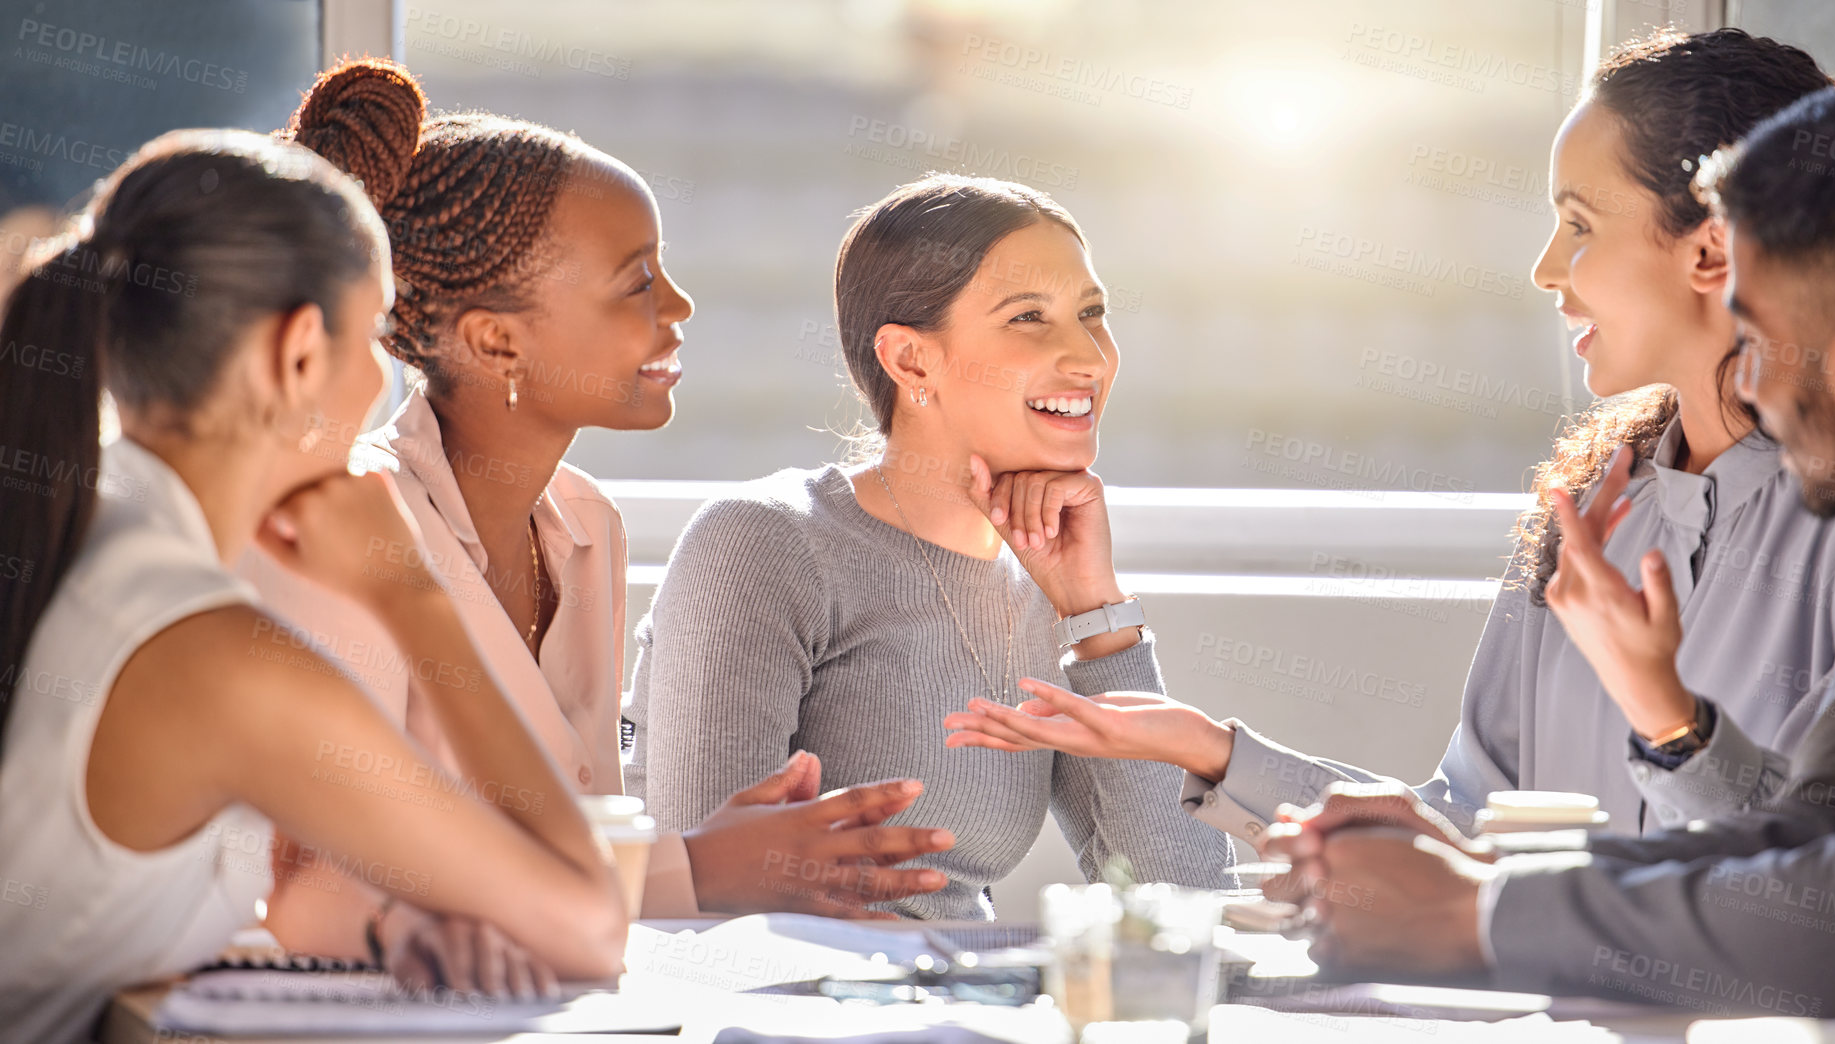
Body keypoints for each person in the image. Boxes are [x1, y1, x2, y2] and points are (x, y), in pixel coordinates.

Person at [944, 28, 1835, 839]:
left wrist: (1671, 721)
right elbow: (1475, 823)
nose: (1542, 269)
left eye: (1577, 224)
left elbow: (1830, 891)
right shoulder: (1587, 510)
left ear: (1711, 250)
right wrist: (1212, 751)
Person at [247, 60, 953, 970]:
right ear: (496, 340)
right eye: (636, 283)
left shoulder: (585, 527)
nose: (680, 307)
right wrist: (696, 868)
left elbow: (559, 858)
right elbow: (327, 893)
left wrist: (703, 860)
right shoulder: (355, 525)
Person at [1264, 70, 1835, 1018]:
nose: (1753, 391)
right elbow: (1808, 837)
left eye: (1758, 339)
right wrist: (1484, 881)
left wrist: (1480, 915)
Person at [0, 128, 635, 1041]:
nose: (383, 378)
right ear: (299, 354)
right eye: (376, 332)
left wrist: (398, 920)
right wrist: (411, 594)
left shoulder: (79, 530)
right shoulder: (215, 656)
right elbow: (588, 925)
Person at [632, 173, 1233, 919]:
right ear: (911, 361)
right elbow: (710, 898)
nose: (1088, 357)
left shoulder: (1047, 591)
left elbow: (1179, 901)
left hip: (967, 1007)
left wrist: (1096, 613)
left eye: (1091, 313)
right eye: (1028, 318)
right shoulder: (764, 542)